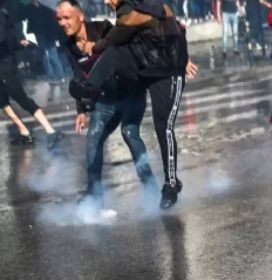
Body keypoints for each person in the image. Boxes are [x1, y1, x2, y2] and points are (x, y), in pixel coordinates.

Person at [82, 0, 192, 209]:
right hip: (145, 66)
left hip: (168, 72)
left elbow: (115, 37)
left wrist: (93, 46)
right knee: (114, 55)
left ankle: (171, 184)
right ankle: (88, 90)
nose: (106, 1)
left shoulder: (135, 10)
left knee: (164, 127)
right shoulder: (130, 9)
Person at [56, 0, 156, 214]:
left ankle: (151, 188)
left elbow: (129, 46)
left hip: (131, 92)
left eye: (66, 17)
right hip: (106, 100)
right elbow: (78, 77)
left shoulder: (103, 28)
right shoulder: (69, 47)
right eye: (59, 19)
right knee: (93, 138)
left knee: (129, 133)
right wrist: (80, 110)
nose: (62, 23)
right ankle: (94, 196)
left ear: (80, 16)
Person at [0, 0, 64, 149]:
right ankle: (24, 132)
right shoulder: (5, 15)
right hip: (3, 64)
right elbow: (12, 40)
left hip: (4, 67)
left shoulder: (1, 16)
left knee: (21, 99)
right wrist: (21, 42)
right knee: (2, 102)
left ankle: (51, 131)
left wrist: (20, 43)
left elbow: (4, 39)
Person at [25, 0, 68, 84]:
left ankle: (57, 76)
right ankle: (58, 76)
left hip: (43, 34)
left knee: (48, 56)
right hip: (46, 34)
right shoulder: (45, 9)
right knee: (50, 56)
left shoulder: (32, 9)